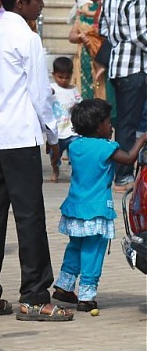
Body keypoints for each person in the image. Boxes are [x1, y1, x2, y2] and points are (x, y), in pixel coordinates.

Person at [0, 0, 73, 322]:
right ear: (22, 1)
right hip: (19, 138)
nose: (41, 5)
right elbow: (40, 94)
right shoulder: (26, 38)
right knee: (29, 216)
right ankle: (34, 297)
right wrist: (54, 132)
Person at [53, 99, 147, 312]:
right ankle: (87, 296)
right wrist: (141, 140)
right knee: (93, 251)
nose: (111, 126)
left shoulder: (74, 146)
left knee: (75, 247)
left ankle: (64, 285)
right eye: (107, 122)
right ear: (97, 126)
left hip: (75, 208)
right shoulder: (106, 148)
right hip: (96, 210)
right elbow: (129, 158)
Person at [98, 0, 147, 193]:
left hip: (117, 64)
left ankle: (129, 171)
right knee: (129, 123)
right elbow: (141, 34)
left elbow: (103, 28)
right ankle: (123, 176)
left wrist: (120, 38)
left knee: (126, 122)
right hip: (135, 66)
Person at [68, 0, 106, 99]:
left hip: (100, 59)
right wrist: (80, 37)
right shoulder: (83, 10)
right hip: (83, 59)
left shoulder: (106, 9)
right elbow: (71, 36)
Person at [49, 56, 81, 182]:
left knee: (75, 154)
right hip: (57, 130)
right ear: (54, 75)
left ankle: (75, 174)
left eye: (67, 77)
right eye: (60, 77)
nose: (63, 80)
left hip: (72, 129)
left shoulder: (73, 90)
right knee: (55, 155)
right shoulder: (51, 89)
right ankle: (55, 170)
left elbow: (79, 103)